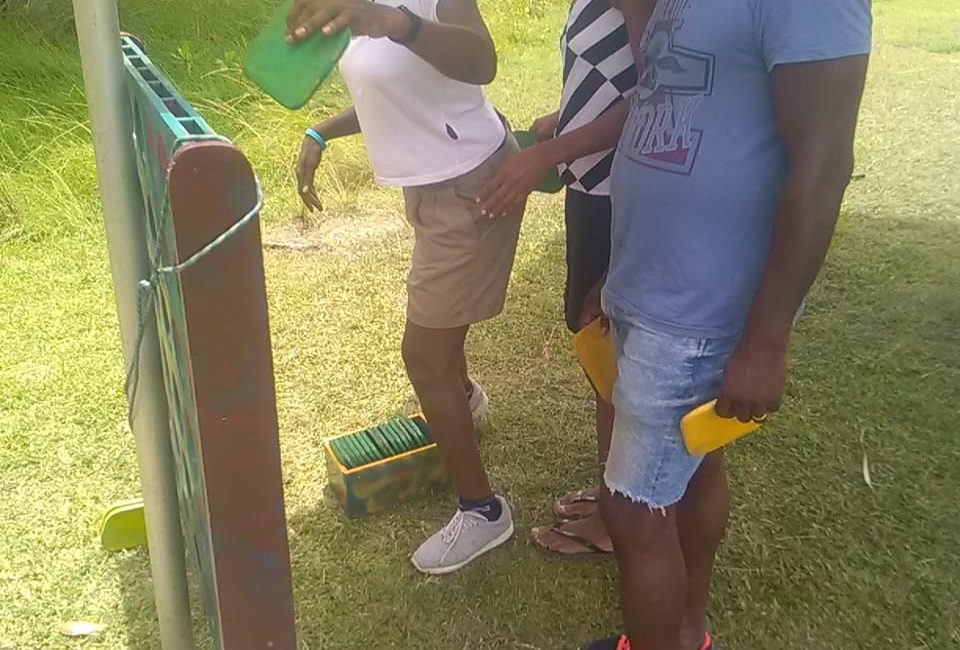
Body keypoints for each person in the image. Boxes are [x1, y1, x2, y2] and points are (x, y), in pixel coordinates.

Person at [578, 0, 873, 648]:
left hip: (698, 312)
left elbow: (824, 165)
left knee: (631, 509)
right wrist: (619, 272)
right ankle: (686, 635)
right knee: (693, 469)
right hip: (654, 286)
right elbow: (668, 106)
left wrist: (765, 342)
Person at [288, 0, 524, 575]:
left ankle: (483, 511)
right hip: (431, 189)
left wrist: (396, 23)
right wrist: (321, 130)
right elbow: (391, 91)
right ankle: (465, 401)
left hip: (471, 189)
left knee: (423, 355)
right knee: (438, 332)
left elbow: (482, 61)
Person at [478, 0, 650, 556]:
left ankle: (617, 514)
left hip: (618, 188)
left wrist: (549, 152)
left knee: (606, 342)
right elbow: (612, 75)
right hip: (592, 186)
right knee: (596, 340)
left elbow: (652, 95)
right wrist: (566, 117)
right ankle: (612, 493)